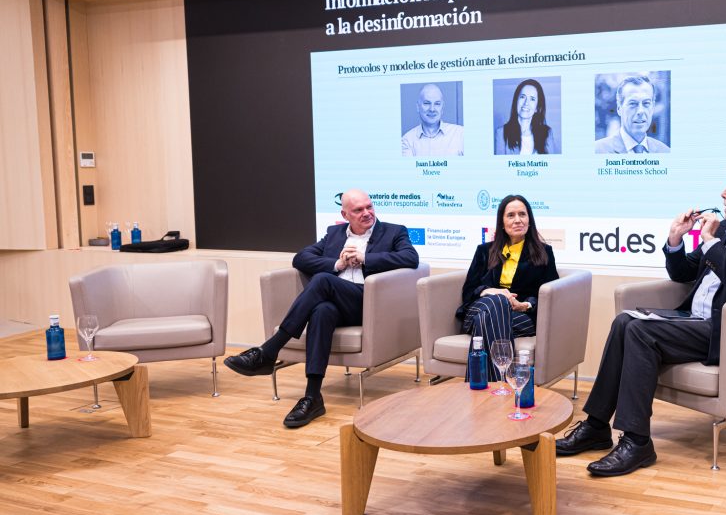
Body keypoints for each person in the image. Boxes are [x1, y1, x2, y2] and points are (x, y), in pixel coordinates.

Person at [556, 163, 726, 476]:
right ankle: (597, 426)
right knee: (624, 322)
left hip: (724, 331)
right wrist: (675, 240)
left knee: (639, 331)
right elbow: (682, 273)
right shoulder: (724, 229)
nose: (723, 194)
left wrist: (711, 243)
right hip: (692, 320)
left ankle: (637, 442)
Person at [224, 189, 418, 428]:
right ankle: (312, 396)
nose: (367, 213)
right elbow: (301, 258)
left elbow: (410, 258)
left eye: (369, 206)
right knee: (322, 311)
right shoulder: (334, 234)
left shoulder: (394, 232)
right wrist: (337, 263)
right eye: (359, 210)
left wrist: (364, 257)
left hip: (368, 304)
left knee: (322, 280)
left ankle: (270, 350)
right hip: (337, 303)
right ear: (345, 215)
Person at [458, 195, 558, 380]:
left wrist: (525, 305)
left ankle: (482, 385)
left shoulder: (544, 253)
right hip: (480, 307)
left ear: (529, 220)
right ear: (502, 223)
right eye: (511, 215)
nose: (517, 220)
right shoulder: (484, 251)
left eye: (522, 214)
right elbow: (468, 292)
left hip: (520, 315)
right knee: (497, 302)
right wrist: (491, 292)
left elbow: (552, 295)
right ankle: (502, 384)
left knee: (485, 320)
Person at [594, 75, 670, 154]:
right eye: (633, 103)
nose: (640, 111)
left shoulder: (665, 151)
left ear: (653, 107)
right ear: (619, 108)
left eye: (646, 103)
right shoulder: (597, 151)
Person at [401, 83, 464, 157]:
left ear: (442, 107)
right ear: (418, 106)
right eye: (426, 103)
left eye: (437, 104)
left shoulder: (461, 134)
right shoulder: (407, 140)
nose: (432, 109)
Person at [494, 79, 555, 155]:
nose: (526, 103)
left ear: (537, 108)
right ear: (516, 101)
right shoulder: (501, 132)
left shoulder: (547, 133)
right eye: (522, 97)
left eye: (532, 99)